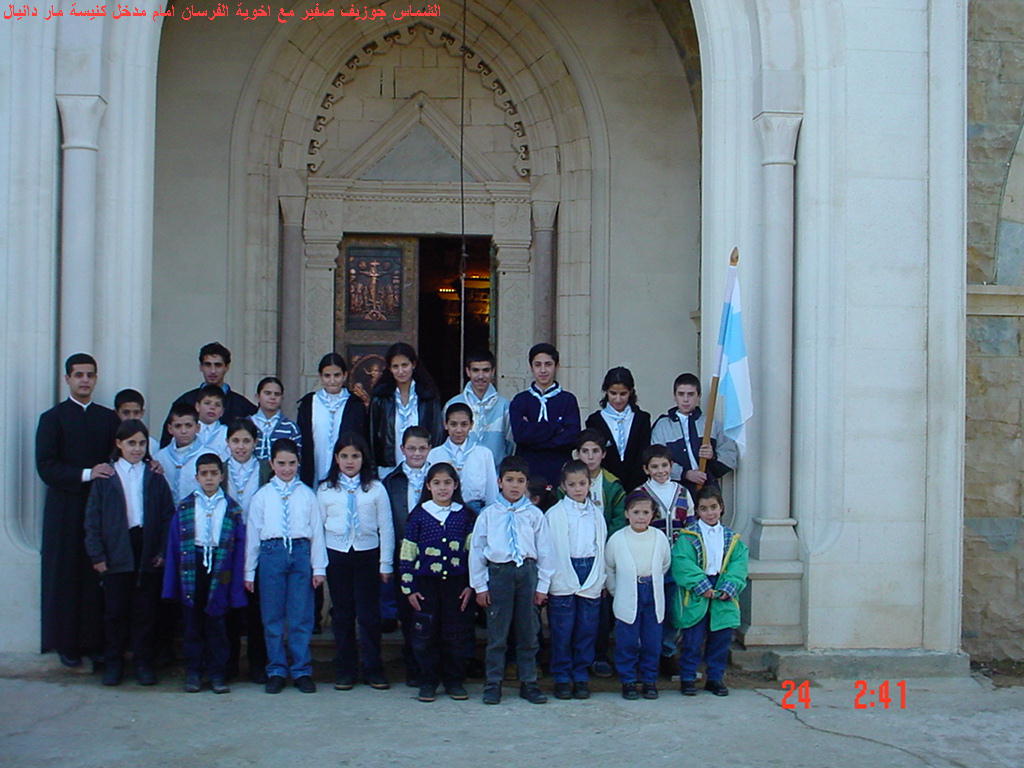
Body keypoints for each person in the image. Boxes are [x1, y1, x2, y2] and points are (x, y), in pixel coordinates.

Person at [36, 353, 121, 667]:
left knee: (95, 576)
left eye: (90, 375)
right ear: (67, 379)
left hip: (99, 509)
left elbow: (121, 456)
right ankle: (67, 644)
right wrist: (87, 473)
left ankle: (94, 643)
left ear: (96, 379)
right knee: (67, 574)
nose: (85, 380)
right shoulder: (52, 419)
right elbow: (46, 467)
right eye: (79, 375)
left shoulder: (108, 418)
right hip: (65, 509)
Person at [84, 419, 174, 686]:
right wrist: (97, 555)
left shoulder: (155, 476)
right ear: (119, 444)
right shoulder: (107, 477)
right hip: (117, 548)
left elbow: (167, 516)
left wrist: (162, 550)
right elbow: (93, 519)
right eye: (131, 443)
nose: (136, 449)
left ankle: (143, 663)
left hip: (146, 546)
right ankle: (114, 663)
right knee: (115, 611)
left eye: (142, 443)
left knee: (145, 611)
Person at [469, 455, 554, 705]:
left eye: (520, 481)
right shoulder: (488, 515)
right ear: (499, 482)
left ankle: (529, 682)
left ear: (526, 484)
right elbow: (477, 550)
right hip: (499, 574)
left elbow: (546, 551)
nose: (514, 486)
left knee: (528, 632)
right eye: (509, 480)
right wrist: (480, 586)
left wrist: (543, 586)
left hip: (527, 573)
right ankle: (493, 683)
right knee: (498, 633)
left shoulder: (535, 515)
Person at [245, 438, 327, 694]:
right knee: (272, 616)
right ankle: (277, 669)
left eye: (292, 463)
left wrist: (318, 567)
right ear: (272, 464)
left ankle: (301, 669)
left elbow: (316, 531)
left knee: (301, 615)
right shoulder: (262, 496)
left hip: (300, 552)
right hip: (272, 553)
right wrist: (249, 571)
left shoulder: (307, 495)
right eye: (281, 463)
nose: (287, 469)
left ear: (298, 463)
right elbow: (253, 535)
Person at [162, 453, 247, 693]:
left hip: (221, 566)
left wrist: (236, 582)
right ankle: (194, 672)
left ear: (221, 476)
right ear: (197, 477)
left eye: (214, 473)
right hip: (193, 564)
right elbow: (174, 544)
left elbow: (239, 545)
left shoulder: (232, 508)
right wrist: (172, 581)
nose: (209, 478)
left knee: (217, 623)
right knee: (192, 623)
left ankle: (217, 673)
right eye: (204, 474)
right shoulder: (186, 506)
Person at [316, 432, 394, 691]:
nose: (350, 461)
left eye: (355, 456)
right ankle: (345, 669)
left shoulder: (376, 488)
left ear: (363, 458)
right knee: (342, 614)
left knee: (369, 615)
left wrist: (385, 563)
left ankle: (373, 668)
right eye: (345, 456)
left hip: (367, 554)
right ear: (336, 458)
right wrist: (319, 565)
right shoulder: (325, 489)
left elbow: (386, 527)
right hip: (337, 554)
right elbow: (317, 529)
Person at [399, 462, 476, 702]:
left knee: (456, 634)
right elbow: (408, 553)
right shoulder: (419, 515)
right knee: (426, 634)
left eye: (447, 483)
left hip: (456, 585)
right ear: (428, 486)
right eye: (437, 483)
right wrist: (409, 588)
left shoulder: (465, 516)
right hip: (426, 585)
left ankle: (454, 680)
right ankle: (428, 681)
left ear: (456, 485)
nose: (442, 488)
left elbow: (474, 553)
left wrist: (471, 585)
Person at [672, 487, 748, 697]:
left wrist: (729, 586)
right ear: (697, 511)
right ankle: (688, 677)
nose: (710, 513)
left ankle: (715, 677)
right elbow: (682, 562)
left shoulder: (732, 538)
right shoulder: (688, 536)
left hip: (723, 588)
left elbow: (739, 565)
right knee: (693, 638)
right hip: (698, 590)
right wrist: (701, 585)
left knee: (721, 637)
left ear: (721, 507)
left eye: (713, 507)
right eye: (704, 509)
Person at [545, 460, 607, 700]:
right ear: (563, 486)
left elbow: (600, 546)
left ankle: (581, 675)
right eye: (572, 485)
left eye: (582, 483)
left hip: (590, 571)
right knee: (562, 629)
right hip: (564, 571)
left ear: (590, 484)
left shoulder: (596, 514)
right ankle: (562, 676)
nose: (578, 489)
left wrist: (600, 577)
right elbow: (549, 549)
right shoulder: (555, 514)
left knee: (586, 629)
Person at [604, 491, 671, 700]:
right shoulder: (618, 539)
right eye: (636, 512)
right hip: (627, 592)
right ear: (627, 513)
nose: (640, 517)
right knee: (627, 640)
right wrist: (616, 591)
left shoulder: (659, 538)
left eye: (645, 512)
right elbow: (609, 568)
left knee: (652, 640)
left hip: (652, 592)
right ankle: (628, 680)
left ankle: (649, 680)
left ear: (652, 515)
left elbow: (665, 563)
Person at [381, 425, 433, 686]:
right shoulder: (392, 481)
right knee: (407, 611)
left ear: (430, 449)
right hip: (402, 553)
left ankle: (430, 667)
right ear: (402, 449)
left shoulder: (437, 477)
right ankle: (412, 665)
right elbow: (386, 522)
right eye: (411, 448)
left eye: (422, 448)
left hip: (432, 555)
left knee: (429, 611)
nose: (416, 453)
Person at [639, 444, 695, 675]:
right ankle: (647, 654)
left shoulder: (682, 492)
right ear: (646, 469)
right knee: (651, 609)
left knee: (673, 609)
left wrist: (689, 555)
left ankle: (668, 652)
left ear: (671, 466)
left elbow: (691, 526)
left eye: (664, 465)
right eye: (654, 466)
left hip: (677, 561)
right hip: (650, 561)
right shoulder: (641, 494)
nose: (660, 470)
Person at [223, 418, 271, 683]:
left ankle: (258, 664)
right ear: (227, 442)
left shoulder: (266, 469)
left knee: (257, 607)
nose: (241, 447)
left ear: (255, 443)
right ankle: (228, 663)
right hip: (228, 544)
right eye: (235, 441)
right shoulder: (219, 470)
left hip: (259, 544)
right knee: (228, 606)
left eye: (246, 441)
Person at [650, 373, 737, 498]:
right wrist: (685, 474)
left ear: (699, 396)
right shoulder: (662, 426)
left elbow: (730, 457)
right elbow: (655, 460)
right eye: (681, 394)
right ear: (675, 396)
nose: (685, 399)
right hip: (675, 491)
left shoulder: (711, 425)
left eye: (690, 394)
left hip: (708, 491)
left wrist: (713, 456)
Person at [509, 343, 581, 487]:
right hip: (528, 472)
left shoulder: (568, 400)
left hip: (559, 471)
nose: (543, 370)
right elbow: (520, 435)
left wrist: (533, 433)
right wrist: (556, 428)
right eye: (538, 365)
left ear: (557, 366)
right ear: (531, 367)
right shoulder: (520, 400)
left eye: (548, 364)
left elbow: (572, 438)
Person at [369, 342, 444, 477]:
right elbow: (372, 436)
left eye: (404, 365)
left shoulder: (428, 397)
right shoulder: (381, 398)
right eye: (395, 366)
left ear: (413, 365)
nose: (401, 371)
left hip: (423, 469)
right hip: (388, 469)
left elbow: (436, 434)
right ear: (389, 368)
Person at [160, 342, 257, 447]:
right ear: (201, 367)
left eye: (218, 365)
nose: (213, 371)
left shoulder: (242, 406)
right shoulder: (185, 402)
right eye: (208, 365)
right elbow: (167, 441)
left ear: (227, 367)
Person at [297, 353, 366, 487]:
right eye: (327, 376)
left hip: (346, 471)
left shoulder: (355, 404)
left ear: (345, 375)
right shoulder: (309, 403)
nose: (332, 381)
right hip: (314, 467)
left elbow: (361, 439)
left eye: (337, 375)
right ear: (320, 377)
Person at [584, 367, 651, 492]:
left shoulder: (642, 419)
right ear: (606, 392)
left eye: (623, 394)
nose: (618, 399)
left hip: (637, 484)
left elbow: (643, 452)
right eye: (613, 393)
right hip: (606, 485)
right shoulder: (595, 421)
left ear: (631, 392)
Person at [444, 350, 514, 467]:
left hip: (495, 474)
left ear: (493, 371)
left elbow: (510, 444)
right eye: (475, 370)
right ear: (468, 371)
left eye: (486, 370)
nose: (480, 376)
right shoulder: (452, 404)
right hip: (460, 473)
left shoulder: (505, 406)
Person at [427, 402, 498, 513]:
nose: (459, 430)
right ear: (445, 424)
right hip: (443, 509)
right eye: (453, 424)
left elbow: (491, 489)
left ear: (471, 425)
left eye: (464, 424)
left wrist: (491, 513)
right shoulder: (435, 454)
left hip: (476, 509)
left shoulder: (483, 453)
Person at [155, 402, 204, 504]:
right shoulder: (160, 457)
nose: (183, 431)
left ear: (198, 428)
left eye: (188, 426)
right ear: (170, 429)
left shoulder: (207, 455)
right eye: (178, 426)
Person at [251, 376, 302, 462]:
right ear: (257, 396)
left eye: (277, 394)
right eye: (267, 393)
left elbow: (297, 460)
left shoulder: (291, 427)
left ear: (282, 398)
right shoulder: (247, 424)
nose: (272, 397)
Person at [114, 388, 160, 457]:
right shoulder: (108, 440)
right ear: (116, 413)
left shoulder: (152, 445)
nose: (131, 417)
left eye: (136, 412)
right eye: (126, 413)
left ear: (142, 413)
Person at [194, 384, 230, 459]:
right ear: (197, 406)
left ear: (222, 412)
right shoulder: (189, 429)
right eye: (207, 403)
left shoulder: (227, 432)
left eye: (217, 405)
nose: (212, 407)